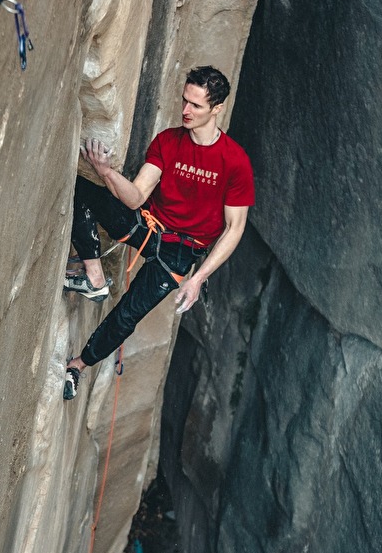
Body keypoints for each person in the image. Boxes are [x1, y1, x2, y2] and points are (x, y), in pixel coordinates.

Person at [62, 65, 254, 400]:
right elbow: (136, 195)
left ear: (217, 109)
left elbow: (235, 228)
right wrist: (105, 171)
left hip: (180, 255)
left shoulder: (234, 162)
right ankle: (93, 274)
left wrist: (198, 278)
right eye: (184, 100)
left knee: (127, 316)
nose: (185, 110)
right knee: (82, 189)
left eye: (195, 105)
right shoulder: (168, 141)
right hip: (149, 228)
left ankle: (77, 365)